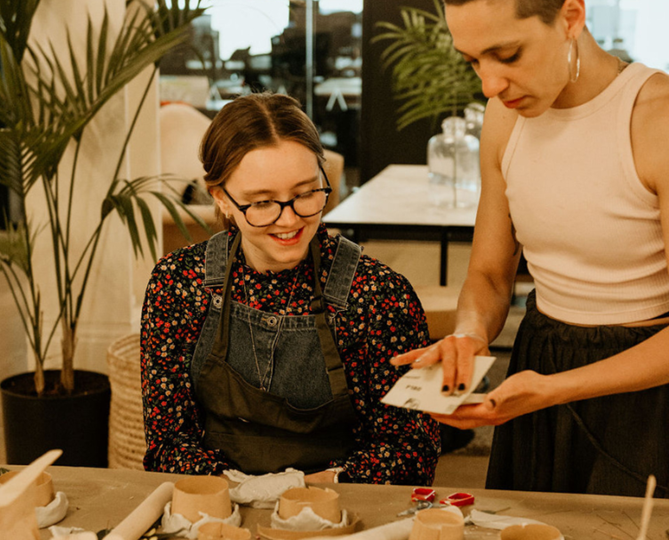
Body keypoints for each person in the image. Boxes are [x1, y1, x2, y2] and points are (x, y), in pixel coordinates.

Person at [392, 0, 669, 497]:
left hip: (645, 385)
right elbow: (491, 276)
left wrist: (553, 389)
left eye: (509, 54)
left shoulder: (657, 118)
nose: (489, 86)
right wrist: (470, 336)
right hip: (539, 355)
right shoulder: (505, 116)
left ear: (570, 17)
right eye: (473, 61)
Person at [141, 92, 440, 485]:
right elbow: (168, 445)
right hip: (216, 508)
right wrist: (247, 494)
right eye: (262, 202)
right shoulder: (178, 285)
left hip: (344, 513)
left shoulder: (378, 294)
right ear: (222, 198)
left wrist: (299, 489)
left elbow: (410, 449)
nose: (289, 220)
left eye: (305, 194)